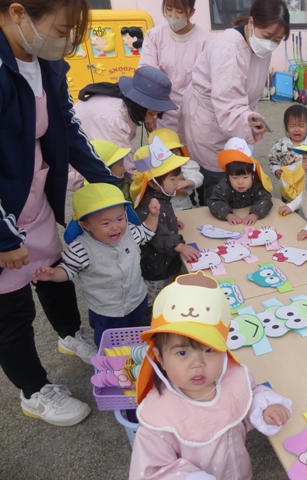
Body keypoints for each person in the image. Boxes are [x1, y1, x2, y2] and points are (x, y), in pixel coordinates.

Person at [0, 0, 119, 427]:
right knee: (11, 309)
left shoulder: (45, 62)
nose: (68, 41)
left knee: (52, 272)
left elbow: (68, 128)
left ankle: (70, 334)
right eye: (62, 29)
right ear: (19, 14)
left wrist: (109, 186)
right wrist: (4, 237)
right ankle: (34, 390)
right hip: (3, 209)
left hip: (32, 194)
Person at [130, 271, 292, 479]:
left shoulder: (230, 379)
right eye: (182, 353)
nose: (198, 363)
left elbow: (247, 397)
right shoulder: (159, 418)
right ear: (160, 358)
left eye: (209, 350)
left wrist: (265, 407)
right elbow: (152, 472)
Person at [180, 0, 290, 203]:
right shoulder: (228, 50)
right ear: (251, 22)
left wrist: (249, 119)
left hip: (234, 119)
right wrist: (248, 120)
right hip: (210, 122)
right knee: (216, 182)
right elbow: (227, 102)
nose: (271, 44)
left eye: (277, 39)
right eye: (267, 36)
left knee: (235, 176)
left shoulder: (259, 46)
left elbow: (247, 92)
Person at [31, 184, 160, 346]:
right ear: (85, 225)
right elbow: (68, 270)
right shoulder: (81, 248)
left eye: (120, 219)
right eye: (106, 223)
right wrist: (52, 274)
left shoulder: (130, 233)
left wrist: (153, 215)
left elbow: (146, 232)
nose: (115, 227)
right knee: (111, 344)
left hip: (137, 299)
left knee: (140, 334)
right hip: (107, 311)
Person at [130, 137, 200, 304]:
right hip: (157, 266)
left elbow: (163, 219)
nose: (178, 183)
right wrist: (181, 246)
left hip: (167, 259)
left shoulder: (159, 194)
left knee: (171, 291)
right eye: (173, 179)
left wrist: (171, 222)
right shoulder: (149, 205)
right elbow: (157, 235)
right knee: (158, 300)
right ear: (154, 184)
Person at [73, 65, 178, 176]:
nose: (151, 118)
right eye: (151, 113)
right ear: (141, 103)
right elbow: (127, 165)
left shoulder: (126, 102)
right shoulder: (113, 117)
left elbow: (126, 151)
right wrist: (160, 177)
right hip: (74, 169)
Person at [138, 0, 212, 132]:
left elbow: (208, 84)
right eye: (168, 9)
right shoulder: (154, 36)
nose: (173, 16)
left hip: (195, 116)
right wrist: (149, 112)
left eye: (179, 11)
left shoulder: (205, 42)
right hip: (163, 115)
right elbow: (148, 75)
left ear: (191, 12)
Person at [207, 137, 274, 225]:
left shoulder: (257, 184)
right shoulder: (224, 186)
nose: (240, 182)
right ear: (228, 176)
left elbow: (266, 199)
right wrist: (227, 214)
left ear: (253, 175)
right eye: (234, 178)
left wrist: (255, 214)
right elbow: (214, 202)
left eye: (245, 177)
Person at [148, 128, 203, 211]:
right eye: (166, 154)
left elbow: (197, 178)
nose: (172, 157)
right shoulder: (152, 169)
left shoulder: (186, 165)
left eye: (175, 153)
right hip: (162, 208)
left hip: (184, 207)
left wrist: (185, 182)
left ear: (181, 151)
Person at [268, 104, 307, 202]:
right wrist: (276, 170)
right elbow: (273, 158)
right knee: (288, 205)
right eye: (292, 126)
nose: (297, 129)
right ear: (286, 127)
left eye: (301, 126)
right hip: (288, 182)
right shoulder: (281, 144)